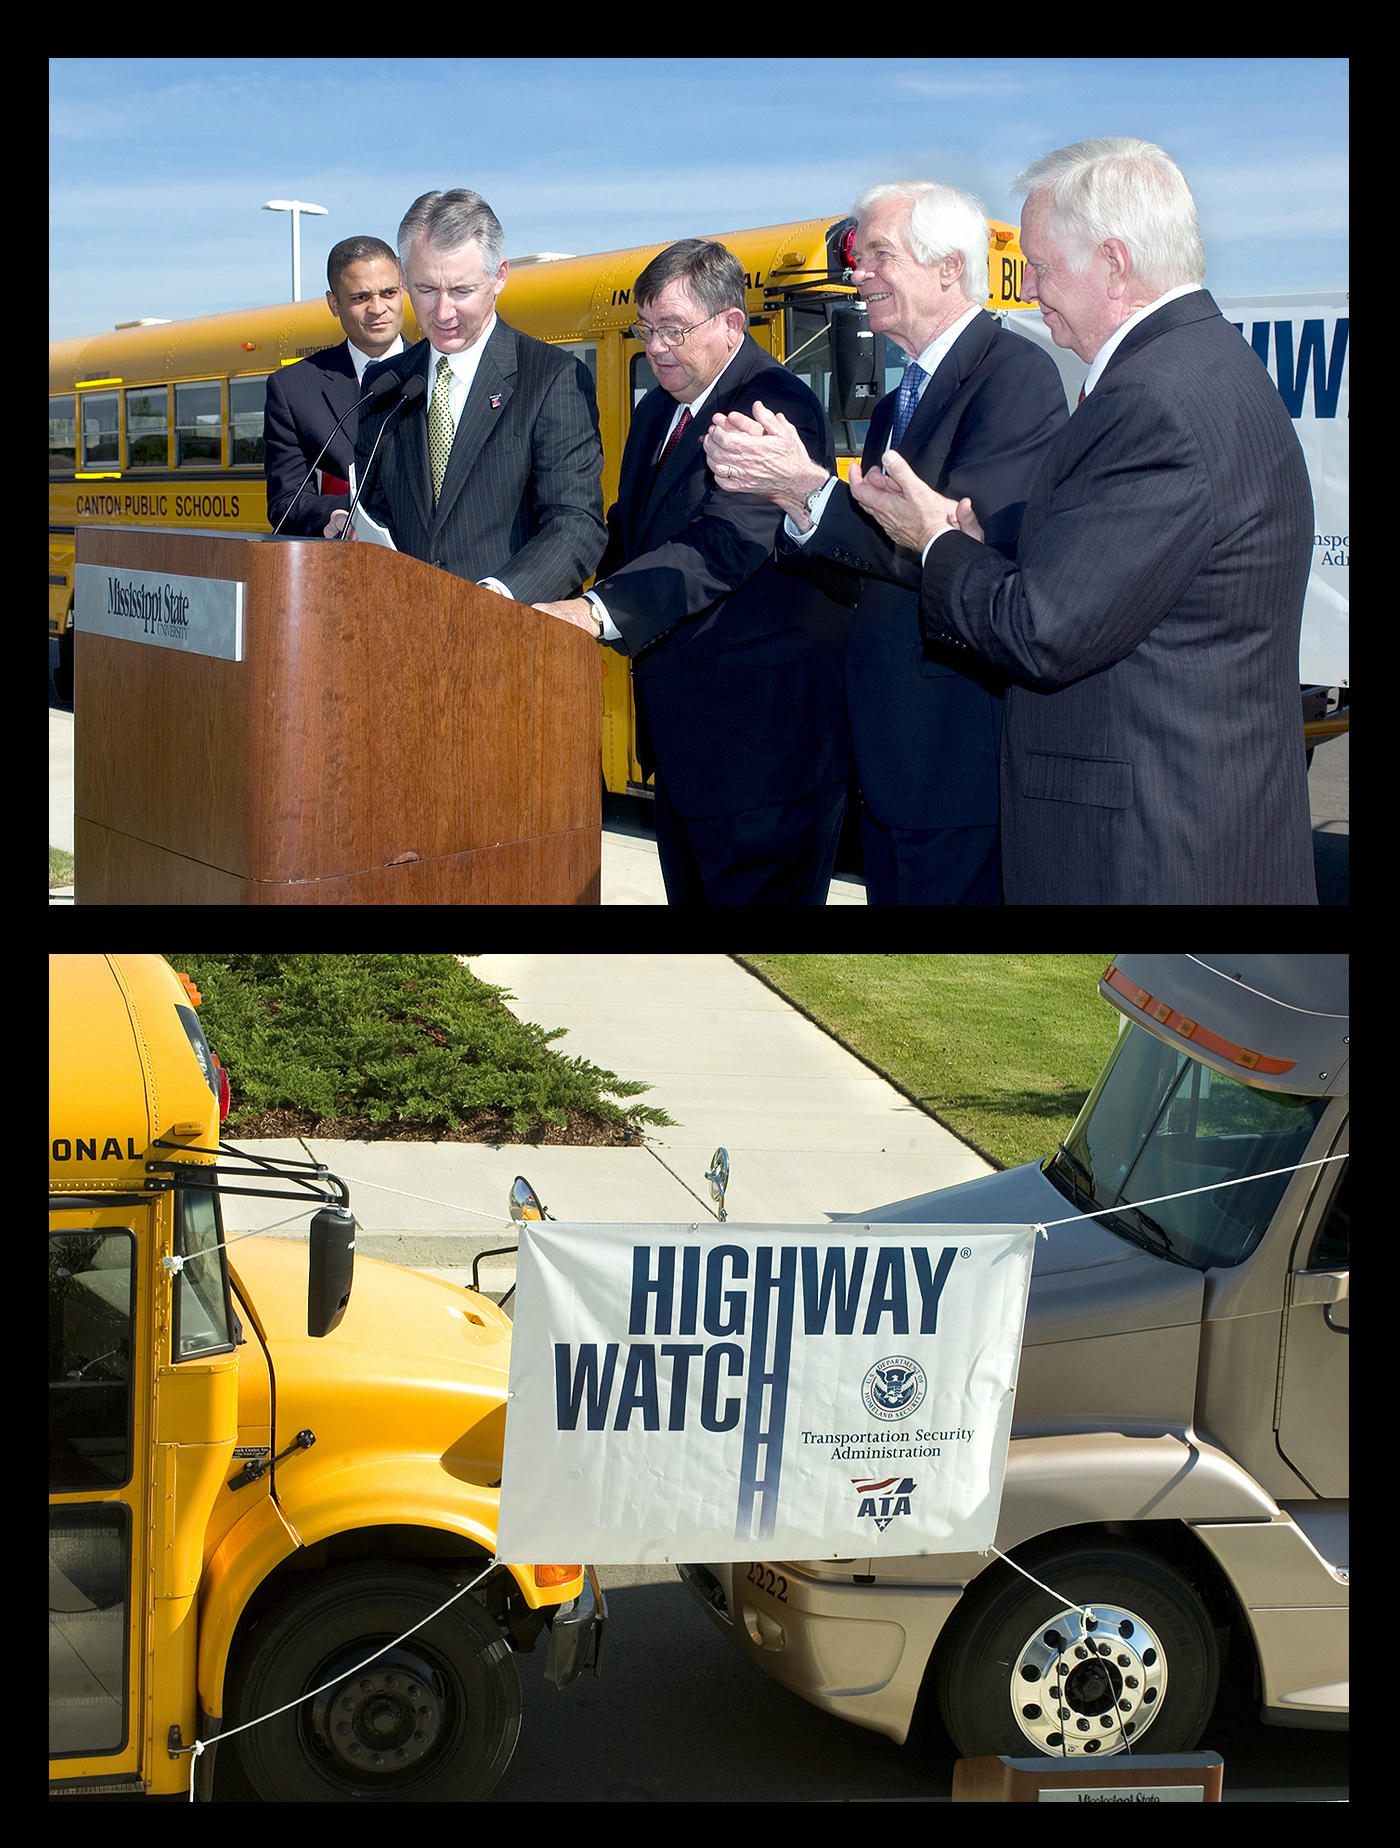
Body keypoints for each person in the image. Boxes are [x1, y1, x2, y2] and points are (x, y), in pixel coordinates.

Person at [845, 138, 1317, 906]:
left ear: (1115, 264)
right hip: (1196, 826)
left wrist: (932, 540)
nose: (1029, 288)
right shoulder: (1207, 366)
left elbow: (1043, 632)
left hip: (1146, 849)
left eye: (1040, 265)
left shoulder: (1151, 401)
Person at [703, 182, 1067, 905]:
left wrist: (811, 490)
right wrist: (795, 505)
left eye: (877, 255)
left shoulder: (1013, 378)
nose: (856, 272)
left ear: (946, 268)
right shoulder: (905, 395)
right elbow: (870, 564)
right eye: (854, 256)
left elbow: (961, 553)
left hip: (953, 767)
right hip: (896, 767)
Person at [533, 239, 852, 905]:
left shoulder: (773, 404)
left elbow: (725, 541)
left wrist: (595, 612)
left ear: (732, 323)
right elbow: (629, 532)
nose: (656, 347)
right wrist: (527, 586)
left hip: (763, 759)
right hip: (684, 755)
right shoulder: (657, 412)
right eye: (647, 330)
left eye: (674, 329)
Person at [349, 190, 605, 604]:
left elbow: (577, 526)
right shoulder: (385, 383)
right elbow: (378, 512)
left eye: (462, 291)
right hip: (401, 642)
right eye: (426, 289)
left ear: (499, 276)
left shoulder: (553, 378)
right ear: (402, 274)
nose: (443, 312)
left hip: (509, 642)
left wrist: (493, 601)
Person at [263, 236, 405, 536]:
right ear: (334, 304)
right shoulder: (291, 389)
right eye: (360, 297)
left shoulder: (443, 369)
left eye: (389, 293)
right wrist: (336, 515)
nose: (378, 308)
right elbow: (285, 502)